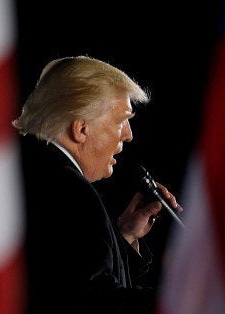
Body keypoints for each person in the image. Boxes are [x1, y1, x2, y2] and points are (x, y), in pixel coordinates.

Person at [12, 56, 181, 313]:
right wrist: (184, 296)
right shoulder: (69, 190)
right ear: (80, 129)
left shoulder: (35, 173)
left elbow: (67, 277)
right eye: (121, 120)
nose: (128, 134)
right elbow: (95, 303)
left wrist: (124, 236)